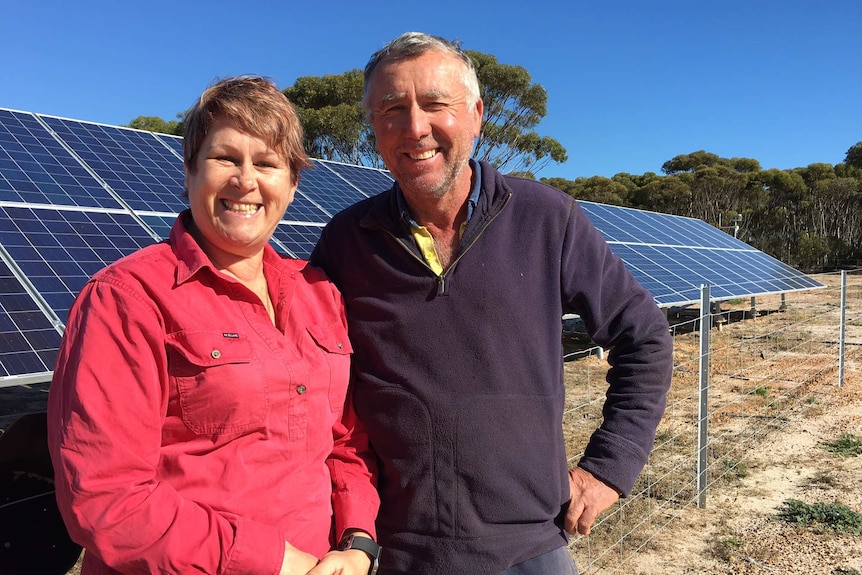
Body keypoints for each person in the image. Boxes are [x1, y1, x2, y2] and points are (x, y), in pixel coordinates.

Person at [310, 33, 674, 575]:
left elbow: (642, 337)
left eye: (435, 104)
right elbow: (311, 389)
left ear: (477, 115)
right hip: (397, 553)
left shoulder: (547, 219)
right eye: (392, 110)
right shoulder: (346, 240)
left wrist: (609, 468)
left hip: (531, 548)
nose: (414, 128)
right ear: (375, 127)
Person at [48, 76, 380, 575]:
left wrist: (358, 543)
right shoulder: (127, 298)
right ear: (189, 171)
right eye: (226, 158)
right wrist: (274, 561)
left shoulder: (320, 293)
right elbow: (104, 496)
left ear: (291, 185)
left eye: (267, 164)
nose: (246, 180)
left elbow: (344, 443)